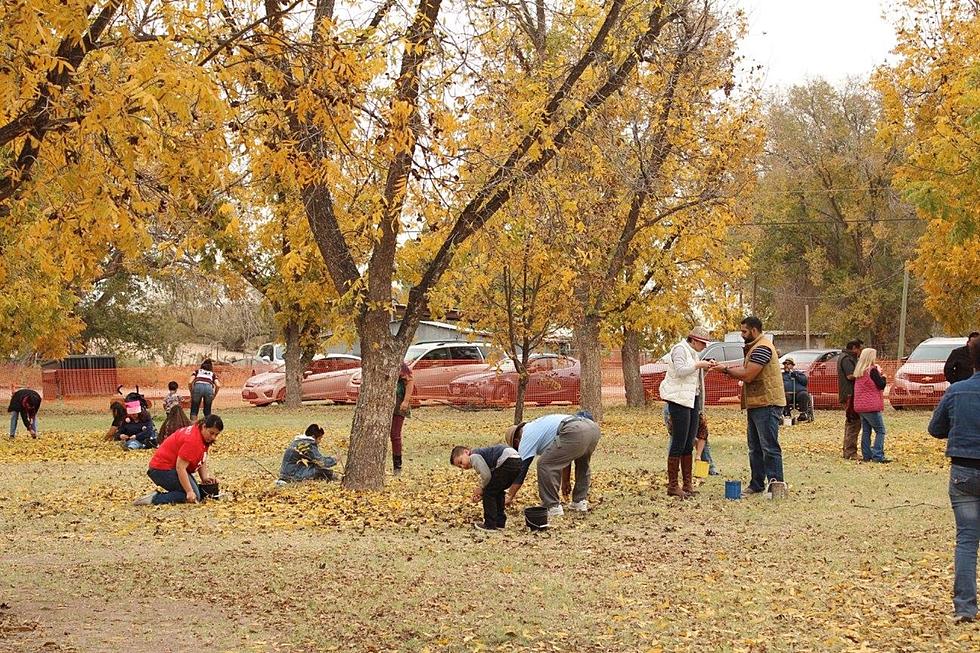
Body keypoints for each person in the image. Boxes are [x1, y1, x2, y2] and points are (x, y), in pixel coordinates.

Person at [928, 340, 980, 623]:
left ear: (972, 362)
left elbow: (936, 429)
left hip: (964, 472)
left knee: (967, 540)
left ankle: (965, 608)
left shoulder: (957, 392)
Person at [717, 316, 785, 496]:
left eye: (744, 331)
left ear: (754, 330)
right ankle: (757, 484)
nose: (741, 335)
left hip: (767, 403)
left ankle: (776, 486)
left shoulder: (762, 347)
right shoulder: (754, 347)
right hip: (757, 403)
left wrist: (724, 369)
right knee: (755, 447)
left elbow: (748, 375)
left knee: (769, 447)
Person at [504, 412, 601, 517]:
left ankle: (552, 506)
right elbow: (563, 457)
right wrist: (565, 480)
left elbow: (521, 470)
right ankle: (579, 502)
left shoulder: (526, 437)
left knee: (544, 464)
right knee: (583, 464)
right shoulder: (537, 427)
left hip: (574, 429)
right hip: (592, 428)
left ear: (516, 441)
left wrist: (509, 496)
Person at [658, 326, 714, 498]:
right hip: (679, 401)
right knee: (679, 441)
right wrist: (699, 365)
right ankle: (673, 485)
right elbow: (682, 371)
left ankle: (687, 484)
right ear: (694, 340)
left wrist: (704, 368)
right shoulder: (680, 350)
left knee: (689, 441)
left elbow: (691, 379)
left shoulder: (693, 353)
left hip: (691, 399)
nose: (704, 347)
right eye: (703, 343)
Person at [133, 415, 223, 505]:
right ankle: (154, 498)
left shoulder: (200, 434)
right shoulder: (193, 440)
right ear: (204, 426)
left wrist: (204, 478)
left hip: (169, 468)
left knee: (196, 493)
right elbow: (180, 467)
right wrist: (189, 491)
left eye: (216, 434)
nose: (213, 437)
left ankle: (185, 493)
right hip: (161, 469)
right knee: (194, 495)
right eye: (211, 433)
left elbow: (202, 456)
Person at [450, 443, 522, 531]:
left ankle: (490, 524)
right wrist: (482, 492)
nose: (462, 466)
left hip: (507, 460)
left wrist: (482, 488)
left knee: (489, 492)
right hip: (517, 461)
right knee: (497, 491)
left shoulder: (473, 456)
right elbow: (491, 478)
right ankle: (500, 522)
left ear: (466, 452)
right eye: (459, 466)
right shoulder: (481, 456)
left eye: (461, 462)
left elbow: (486, 476)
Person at [852, 348, 890, 463]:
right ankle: (878, 455)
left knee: (866, 431)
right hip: (871, 406)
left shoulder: (859, 371)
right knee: (880, 430)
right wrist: (883, 376)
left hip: (860, 406)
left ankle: (866, 455)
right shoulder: (872, 370)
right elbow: (881, 385)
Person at [837, 339, 864, 460]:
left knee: (850, 422)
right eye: (859, 349)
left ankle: (847, 450)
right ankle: (850, 452)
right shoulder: (847, 359)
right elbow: (850, 375)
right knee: (853, 423)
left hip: (848, 394)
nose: (860, 352)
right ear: (854, 348)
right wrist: (864, 373)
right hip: (850, 394)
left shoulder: (844, 357)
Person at [390, 362, 414, 475]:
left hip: (398, 403)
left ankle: (397, 467)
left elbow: (409, 381)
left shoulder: (399, 364)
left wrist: (405, 401)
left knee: (395, 435)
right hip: (383, 404)